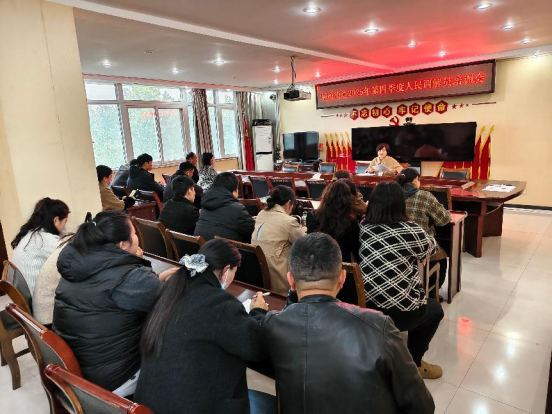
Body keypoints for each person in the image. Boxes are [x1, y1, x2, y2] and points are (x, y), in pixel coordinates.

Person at [260, 233, 435, 414]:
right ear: (342, 278)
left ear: (291, 281)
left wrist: (259, 311)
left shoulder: (273, 324)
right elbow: (423, 406)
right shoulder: (379, 326)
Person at [135, 239, 270, 414]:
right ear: (226, 270)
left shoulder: (171, 291)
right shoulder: (220, 303)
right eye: (234, 272)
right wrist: (258, 312)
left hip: (151, 402)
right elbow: (256, 348)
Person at [53, 211, 178, 396]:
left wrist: (155, 278)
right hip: (113, 379)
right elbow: (171, 306)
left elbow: (113, 294)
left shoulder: (77, 266)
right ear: (122, 244)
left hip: (80, 369)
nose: (137, 237)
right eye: (134, 233)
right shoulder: (132, 278)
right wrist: (144, 266)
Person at [359, 181, 444, 379]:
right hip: (399, 312)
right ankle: (414, 363)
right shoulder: (409, 230)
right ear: (401, 204)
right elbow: (432, 247)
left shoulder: (364, 227)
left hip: (367, 306)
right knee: (435, 310)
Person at [398, 168, 453, 289]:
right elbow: (444, 220)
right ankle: (432, 291)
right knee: (442, 259)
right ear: (415, 180)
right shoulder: (425, 196)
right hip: (421, 243)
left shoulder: (393, 195)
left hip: (397, 242)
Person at [251, 186, 304, 295]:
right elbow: (305, 243)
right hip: (279, 280)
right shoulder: (289, 222)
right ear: (288, 203)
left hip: (258, 273)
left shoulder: (261, 214)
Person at [11, 198, 70, 296]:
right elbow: (72, 258)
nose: (65, 227)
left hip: (28, 294)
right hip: (39, 298)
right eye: (65, 222)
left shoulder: (30, 234)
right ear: (55, 220)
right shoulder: (44, 239)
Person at [306, 180, 360, 262]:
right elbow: (355, 250)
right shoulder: (350, 223)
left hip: (316, 263)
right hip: (341, 265)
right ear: (348, 201)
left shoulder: (312, 216)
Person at [194, 172, 255, 243]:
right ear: (234, 191)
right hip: (225, 249)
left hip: (203, 247)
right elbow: (254, 231)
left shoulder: (205, 204)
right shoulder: (237, 209)